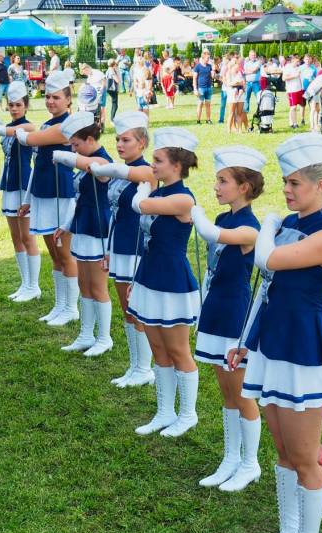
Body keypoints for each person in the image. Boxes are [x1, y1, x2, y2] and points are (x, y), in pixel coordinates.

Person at [230, 133, 322, 533]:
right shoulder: (292, 226)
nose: (286, 190)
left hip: (302, 354)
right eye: (285, 183)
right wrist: (248, 338)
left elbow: (267, 263)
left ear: (319, 185)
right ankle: (289, 532)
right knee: (282, 450)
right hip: (272, 346)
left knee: (304, 455)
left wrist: (268, 227)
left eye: (294, 183)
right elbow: (267, 292)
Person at [191, 146, 264, 492]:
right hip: (216, 307)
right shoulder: (223, 219)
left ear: (244, 187)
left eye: (223, 181)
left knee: (241, 392)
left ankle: (250, 463)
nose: (216, 187)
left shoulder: (251, 228)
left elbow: (211, 235)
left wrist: (193, 210)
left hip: (235, 313)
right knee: (225, 390)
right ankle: (231, 457)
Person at [129, 128, 203, 438]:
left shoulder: (183, 199)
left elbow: (140, 206)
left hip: (172, 280)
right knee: (158, 348)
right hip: (150, 275)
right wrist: (136, 279)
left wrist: (145, 184)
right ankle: (164, 411)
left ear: (176, 165)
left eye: (158, 161)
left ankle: (188, 414)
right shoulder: (158, 192)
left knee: (178, 350)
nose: (153, 165)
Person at [1, 70, 80, 326]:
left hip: (60, 193)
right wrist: (27, 198)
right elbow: (37, 164)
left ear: (68, 100)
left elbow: (29, 138)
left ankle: (71, 307)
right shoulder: (48, 123)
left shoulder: (67, 125)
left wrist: (6, 130)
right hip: (43, 193)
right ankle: (59, 305)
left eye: (56, 97)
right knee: (54, 255)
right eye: (47, 97)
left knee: (65, 254)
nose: (50, 102)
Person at [89, 112, 155, 386]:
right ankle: (135, 365)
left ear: (141, 143)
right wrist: (108, 248)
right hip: (120, 245)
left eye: (126, 140)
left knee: (136, 309)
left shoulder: (146, 170)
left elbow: (126, 174)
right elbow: (115, 213)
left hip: (138, 247)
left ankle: (144, 368)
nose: (119, 144)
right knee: (127, 310)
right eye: (117, 139)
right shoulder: (123, 169)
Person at [44, 111, 116, 357]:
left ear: (88, 139)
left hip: (98, 228)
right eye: (71, 146)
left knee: (98, 287)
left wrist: (64, 156)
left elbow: (99, 170)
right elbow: (77, 198)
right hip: (82, 225)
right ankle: (86, 334)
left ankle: (104, 337)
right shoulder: (84, 158)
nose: (74, 149)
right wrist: (65, 225)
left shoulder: (104, 160)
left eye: (76, 144)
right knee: (84, 284)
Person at [0, 82, 40, 303]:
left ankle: (34, 286)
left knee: (28, 238)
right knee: (15, 238)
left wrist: (3, 129)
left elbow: (29, 130)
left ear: (26, 106)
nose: (14, 109)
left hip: (24, 187)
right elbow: (8, 161)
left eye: (18, 105)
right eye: (11, 105)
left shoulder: (27, 127)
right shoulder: (9, 129)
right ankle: (25, 283)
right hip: (10, 187)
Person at [283, 56, 305, 130]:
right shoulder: (287, 67)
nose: (298, 63)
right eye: (296, 62)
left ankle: (291, 122)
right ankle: (295, 123)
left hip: (298, 89)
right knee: (293, 107)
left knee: (294, 107)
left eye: (298, 62)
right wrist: (294, 76)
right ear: (292, 61)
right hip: (291, 90)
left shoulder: (298, 68)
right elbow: (284, 78)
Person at [193, 50, 215, 124]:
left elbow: (213, 76)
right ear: (203, 57)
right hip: (201, 88)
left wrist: (213, 69)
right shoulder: (198, 66)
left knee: (208, 104)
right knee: (200, 104)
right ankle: (198, 120)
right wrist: (195, 89)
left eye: (209, 57)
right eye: (207, 58)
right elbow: (194, 78)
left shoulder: (209, 66)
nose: (208, 59)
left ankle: (208, 119)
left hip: (209, 88)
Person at [243, 49, 262, 113]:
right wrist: (252, 71)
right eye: (252, 55)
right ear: (249, 56)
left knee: (258, 97)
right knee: (246, 98)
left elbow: (255, 70)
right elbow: (245, 72)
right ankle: (246, 111)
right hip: (248, 83)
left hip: (256, 83)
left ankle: (260, 111)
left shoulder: (258, 62)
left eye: (254, 55)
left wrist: (249, 71)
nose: (253, 56)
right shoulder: (246, 63)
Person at [103, 58, 120, 123]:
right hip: (112, 89)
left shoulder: (108, 70)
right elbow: (117, 80)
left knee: (114, 103)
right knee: (115, 104)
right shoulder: (112, 70)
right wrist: (117, 75)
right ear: (114, 64)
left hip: (109, 88)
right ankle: (112, 119)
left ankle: (113, 118)